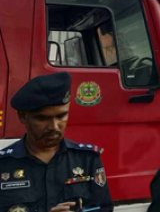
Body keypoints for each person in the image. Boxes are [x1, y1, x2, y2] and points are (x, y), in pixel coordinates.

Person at [0, 72, 113, 212]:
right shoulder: (3, 164)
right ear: (23, 117)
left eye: (61, 116)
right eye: (42, 118)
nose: (54, 126)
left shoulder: (87, 159)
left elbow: (104, 208)